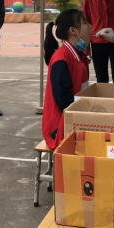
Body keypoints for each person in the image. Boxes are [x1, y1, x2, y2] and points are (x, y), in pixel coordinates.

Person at [42, 9, 91, 150]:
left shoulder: (77, 55)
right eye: (85, 23)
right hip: (59, 129)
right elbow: (64, 99)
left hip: (74, 119)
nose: (90, 26)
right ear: (73, 31)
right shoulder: (62, 58)